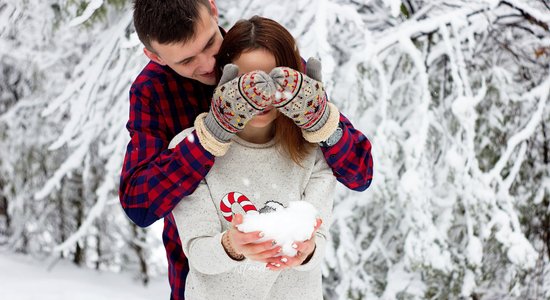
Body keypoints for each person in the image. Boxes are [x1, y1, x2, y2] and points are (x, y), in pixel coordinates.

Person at [120, 0, 373, 298]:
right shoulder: (153, 91)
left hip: (288, 285)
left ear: (214, 10)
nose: (207, 64)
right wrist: (210, 138)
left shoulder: (268, 60)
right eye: (187, 61)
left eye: (210, 43)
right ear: (155, 56)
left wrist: (321, 122)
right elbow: (140, 204)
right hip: (204, 278)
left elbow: (360, 173)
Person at [170, 16, 336, 299]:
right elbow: (197, 252)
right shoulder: (192, 150)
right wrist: (231, 245)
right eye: (248, 82)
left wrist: (307, 252)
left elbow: (317, 244)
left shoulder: (314, 151)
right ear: (223, 81)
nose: (261, 96)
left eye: (272, 80)